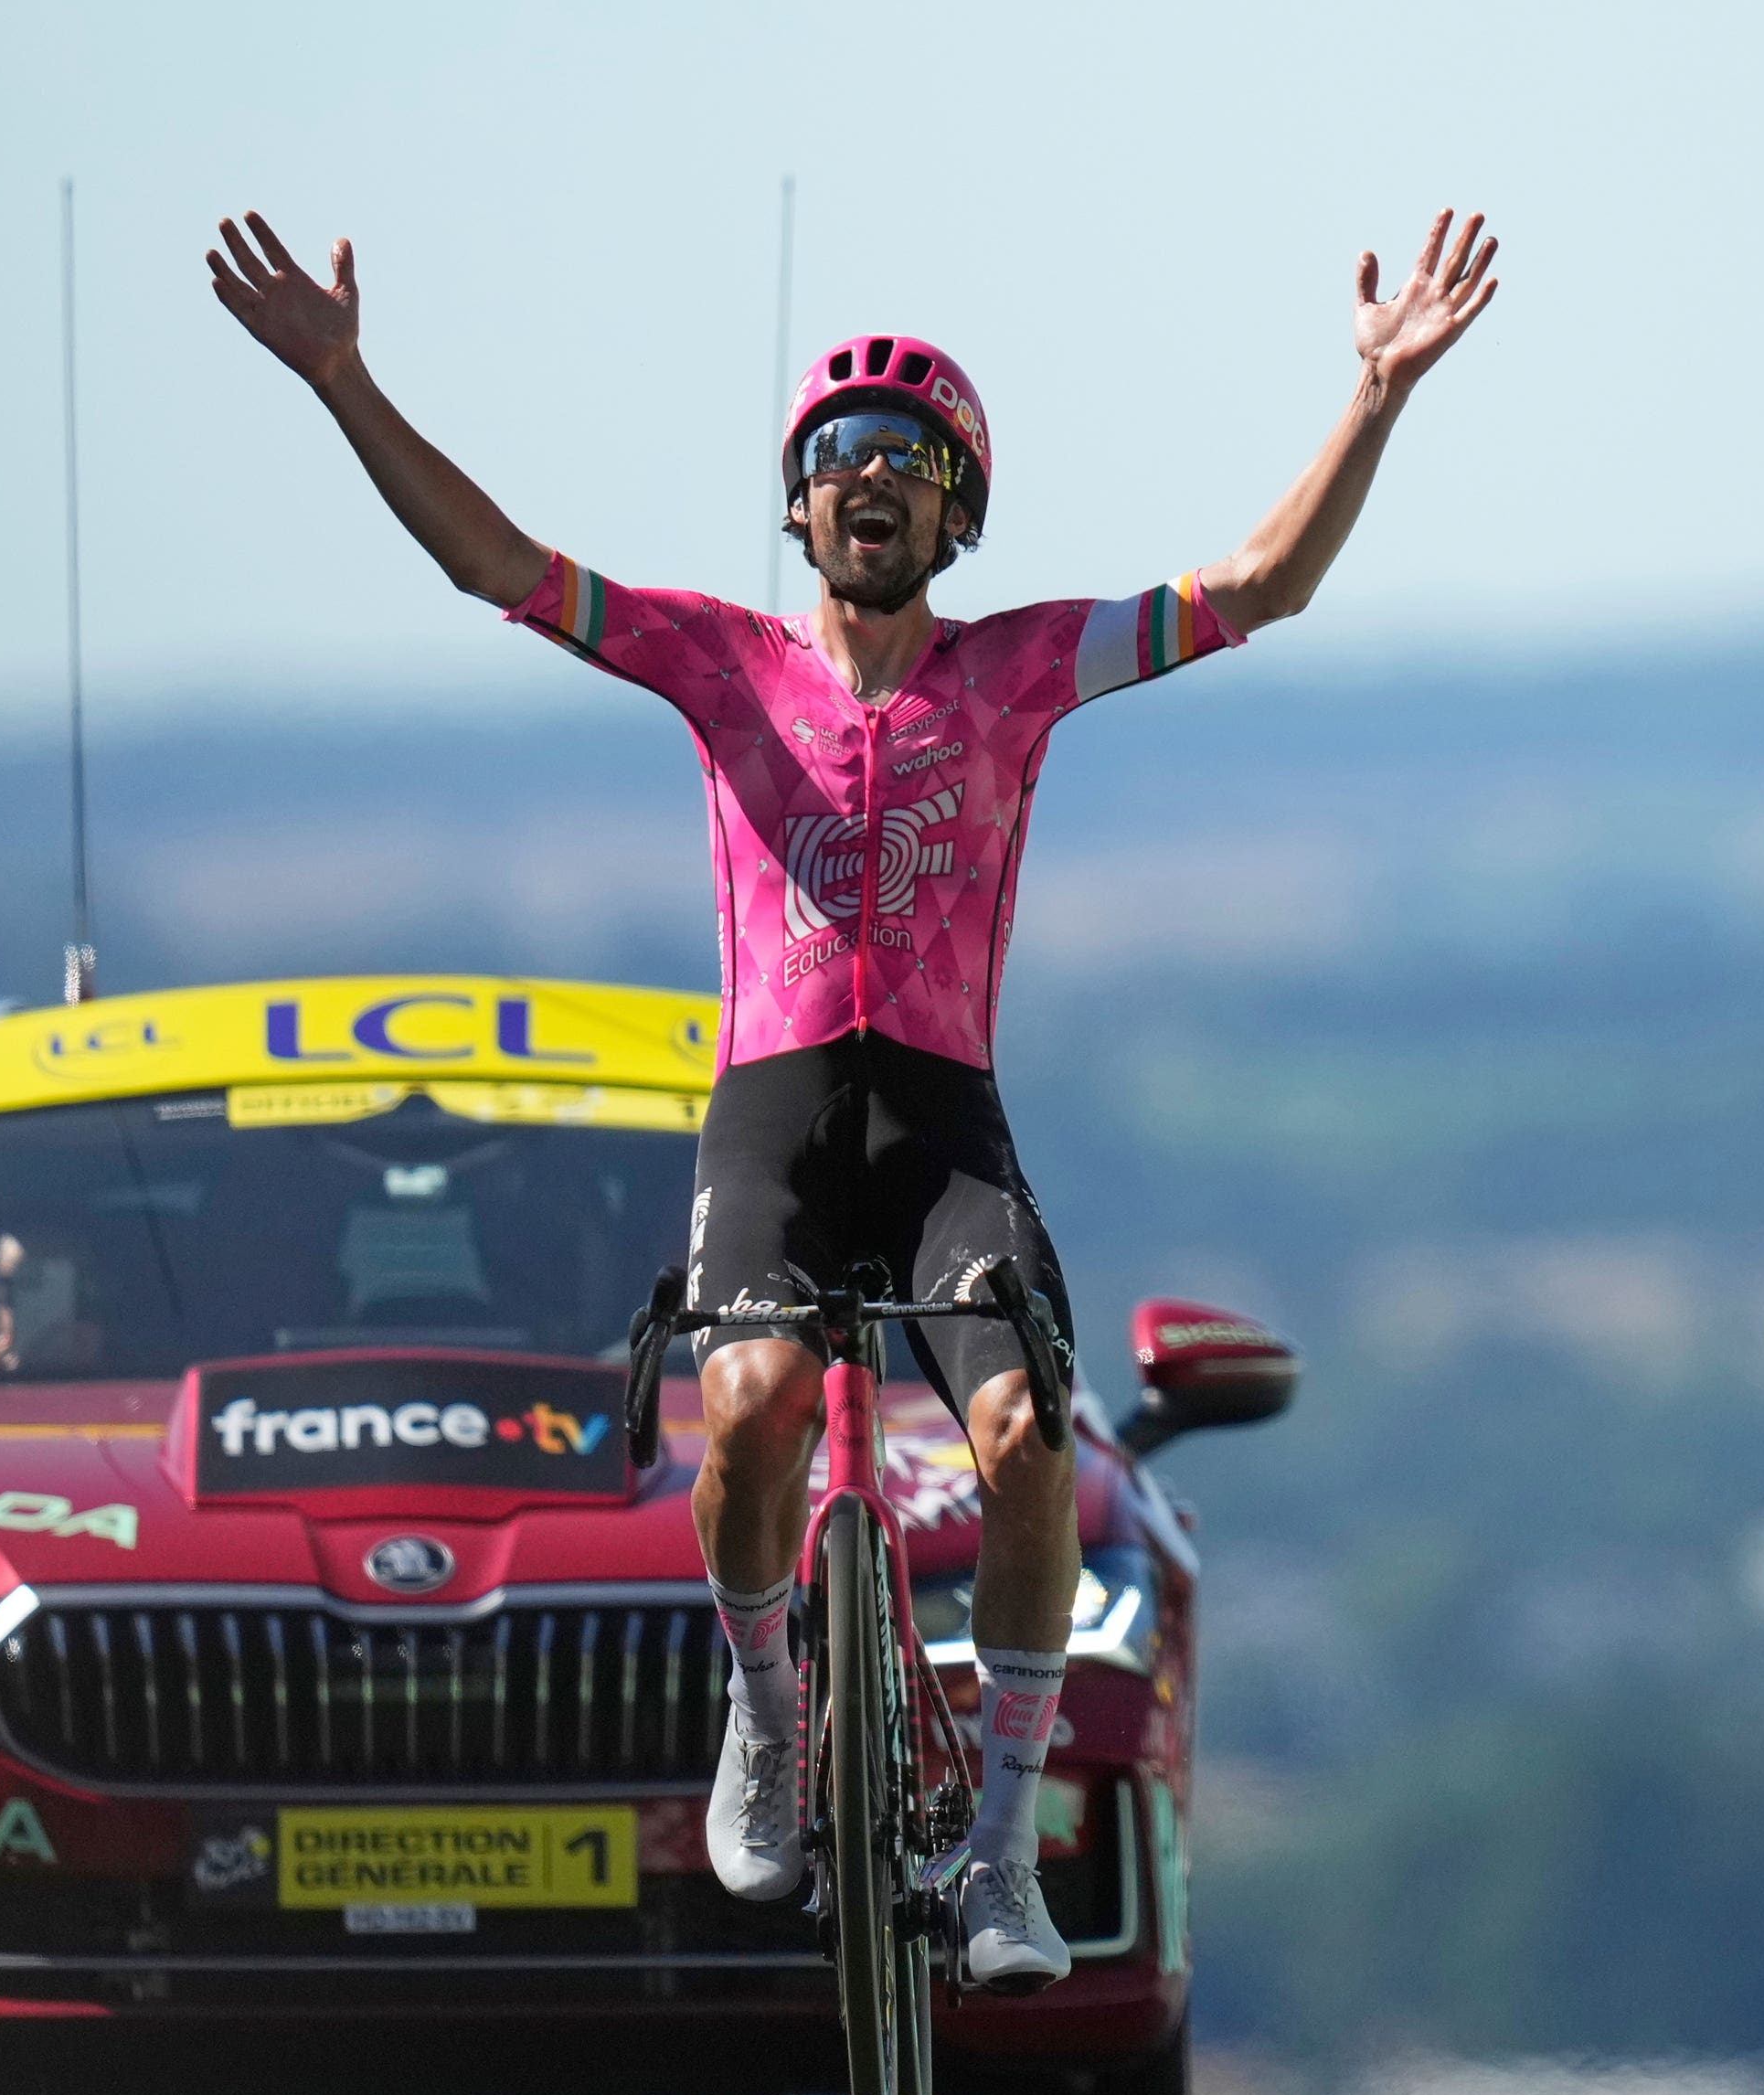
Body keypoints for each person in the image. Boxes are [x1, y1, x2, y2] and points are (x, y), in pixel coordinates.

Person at [210, 204, 1500, 1988]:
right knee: (745, 1406)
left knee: (1028, 1446)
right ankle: (765, 1711)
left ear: (955, 513)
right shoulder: (716, 662)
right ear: (798, 508)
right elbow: (494, 566)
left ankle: (993, 1862)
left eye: (909, 458)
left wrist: (1371, 394)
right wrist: (347, 383)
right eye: (834, 457)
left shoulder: (1019, 669)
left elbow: (1257, 589)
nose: (868, 478)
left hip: (945, 1127)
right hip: (774, 1115)